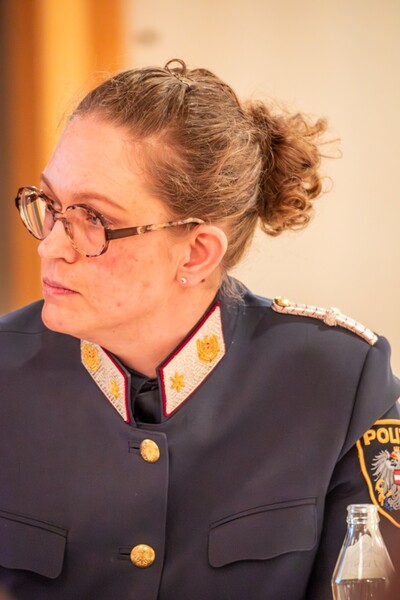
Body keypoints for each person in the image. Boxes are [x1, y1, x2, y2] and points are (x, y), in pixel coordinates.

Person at [0, 59, 399, 600]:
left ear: (196, 253)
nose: (49, 245)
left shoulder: (337, 381)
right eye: (50, 205)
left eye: (93, 219)